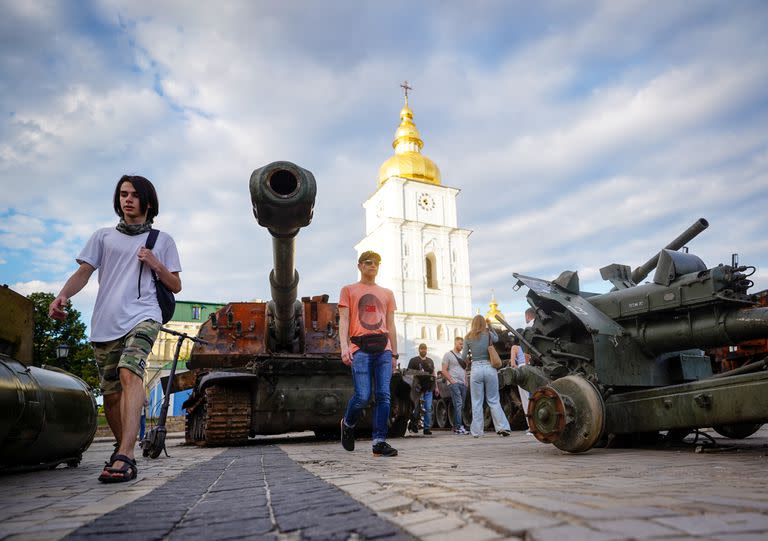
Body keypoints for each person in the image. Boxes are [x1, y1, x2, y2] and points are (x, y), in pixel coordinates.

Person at [49, 175, 182, 483]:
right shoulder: (103, 236)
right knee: (110, 396)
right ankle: (123, 446)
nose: (127, 199)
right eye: (123, 194)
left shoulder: (163, 240)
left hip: (144, 315)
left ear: (147, 203)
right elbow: (84, 272)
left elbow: (175, 284)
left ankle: (126, 455)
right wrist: (63, 295)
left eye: (134, 195)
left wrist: (154, 263)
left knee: (130, 370)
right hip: (106, 323)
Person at [338, 250, 399, 457]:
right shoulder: (348, 290)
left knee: (384, 396)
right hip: (359, 347)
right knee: (362, 396)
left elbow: (391, 324)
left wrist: (394, 354)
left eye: (377, 263)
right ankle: (348, 423)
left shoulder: (387, 293)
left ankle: (379, 442)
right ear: (360, 266)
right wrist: (344, 347)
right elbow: (344, 320)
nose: (373, 266)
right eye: (369, 262)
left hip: (383, 349)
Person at [462, 315, 511, 437]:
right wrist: (489, 326)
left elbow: (463, 357)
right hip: (490, 368)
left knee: (477, 402)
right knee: (494, 400)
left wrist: (469, 358)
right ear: (484, 323)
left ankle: (477, 432)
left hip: (476, 369)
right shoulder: (488, 334)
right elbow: (496, 339)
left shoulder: (468, 337)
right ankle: (502, 428)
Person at [407, 343, 437, 436]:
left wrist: (436, 387)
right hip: (417, 388)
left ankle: (426, 428)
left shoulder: (430, 361)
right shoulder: (413, 361)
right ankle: (414, 425)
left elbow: (433, 374)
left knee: (428, 408)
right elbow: (409, 373)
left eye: (425, 349)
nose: (423, 350)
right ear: (419, 350)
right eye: (422, 349)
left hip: (428, 387)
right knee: (415, 407)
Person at [442, 336, 469, 434]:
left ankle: (455, 426)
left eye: (463, 344)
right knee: (458, 404)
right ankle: (458, 427)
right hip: (454, 383)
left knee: (461, 406)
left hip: (463, 383)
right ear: (455, 343)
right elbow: (443, 370)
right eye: (460, 344)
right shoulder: (448, 355)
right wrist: (451, 380)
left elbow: (464, 369)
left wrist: (466, 381)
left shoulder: (462, 356)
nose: (462, 346)